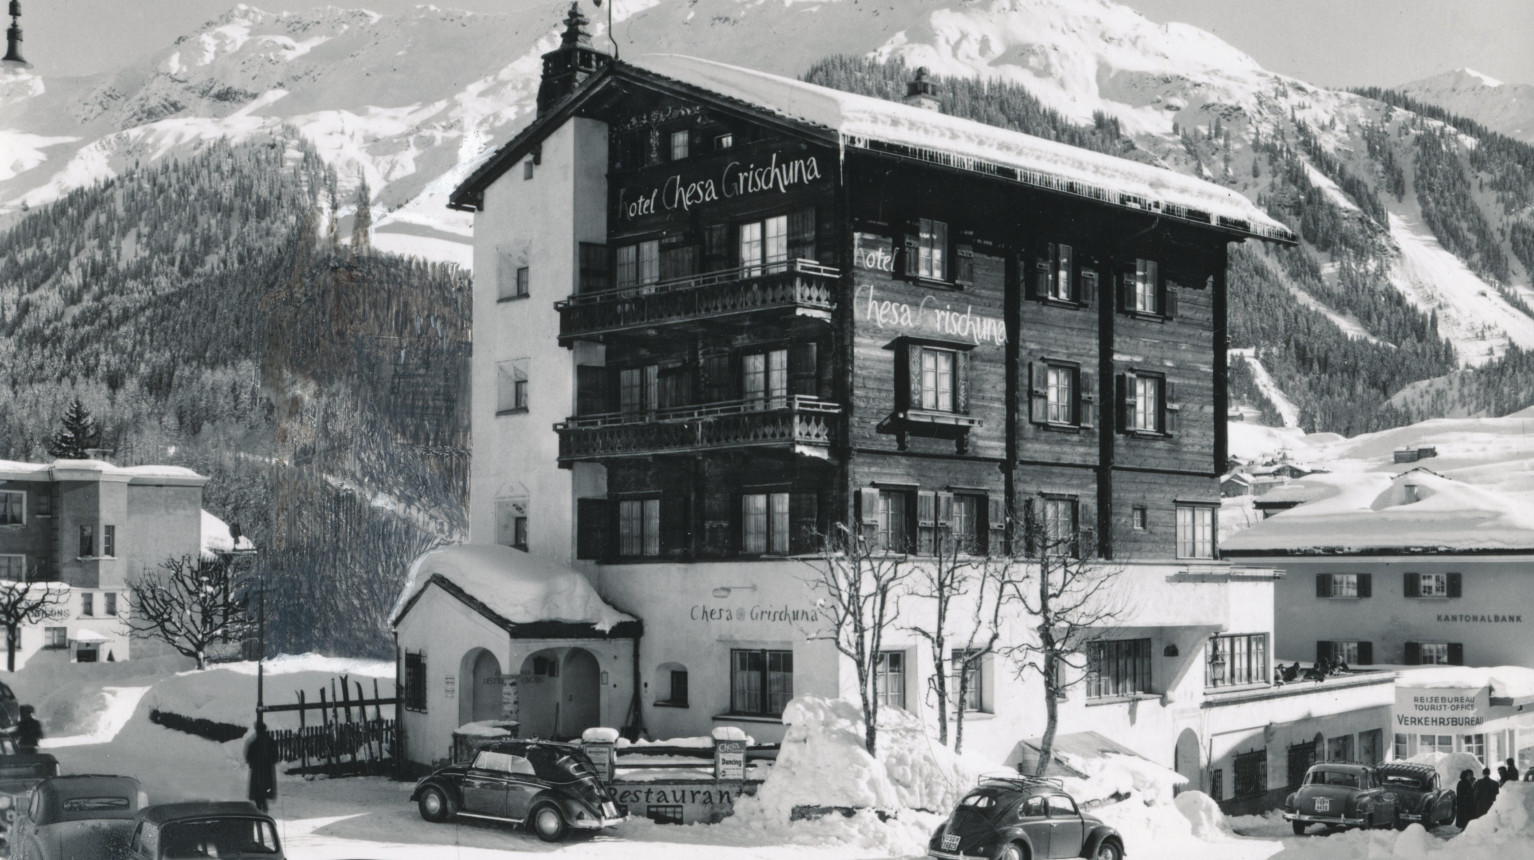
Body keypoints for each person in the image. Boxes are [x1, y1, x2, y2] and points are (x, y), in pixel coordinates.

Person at [245, 721, 278, 812]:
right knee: (265, 790)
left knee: (258, 791)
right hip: (267, 771)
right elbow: (275, 757)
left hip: (257, 771)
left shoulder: (254, 742)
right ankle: (263, 807)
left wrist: (253, 763)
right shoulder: (270, 741)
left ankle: (260, 807)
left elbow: (248, 757)